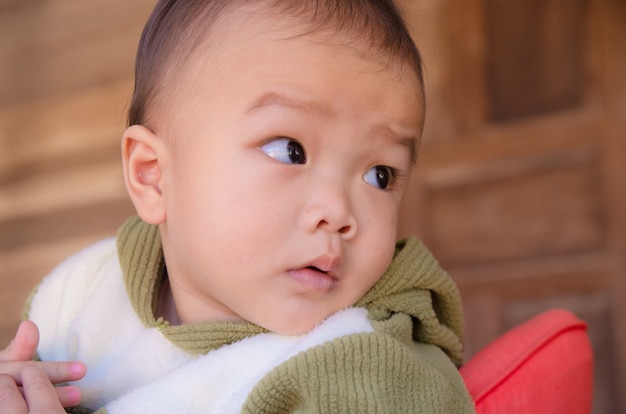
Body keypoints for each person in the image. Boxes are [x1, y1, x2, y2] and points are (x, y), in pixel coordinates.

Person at [0, 0, 476, 412]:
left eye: (380, 175)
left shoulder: (364, 372)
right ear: (154, 177)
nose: (338, 211)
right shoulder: (85, 301)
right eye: (290, 150)